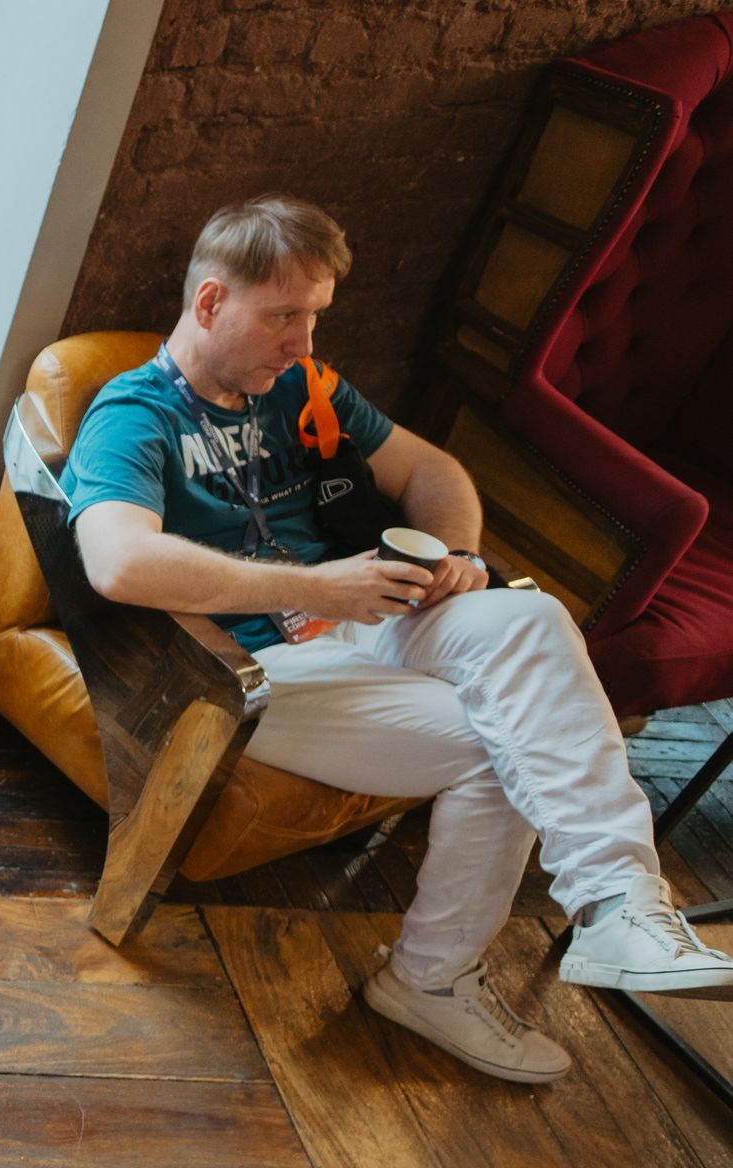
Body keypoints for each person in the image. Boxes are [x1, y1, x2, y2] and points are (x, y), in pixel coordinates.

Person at [66, 194, 733, 1083]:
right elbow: (117, 562)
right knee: (509, 745)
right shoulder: (136, 414)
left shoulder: (301, 388)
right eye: (285, 315)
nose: (304, 342)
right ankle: (431, 980)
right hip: (250, 669)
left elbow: (431, 469)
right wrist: (315, 587)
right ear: (212, 301)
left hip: (362, 623)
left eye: (315, 316)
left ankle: (618, 903)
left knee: (532, 618)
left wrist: (457, 555)